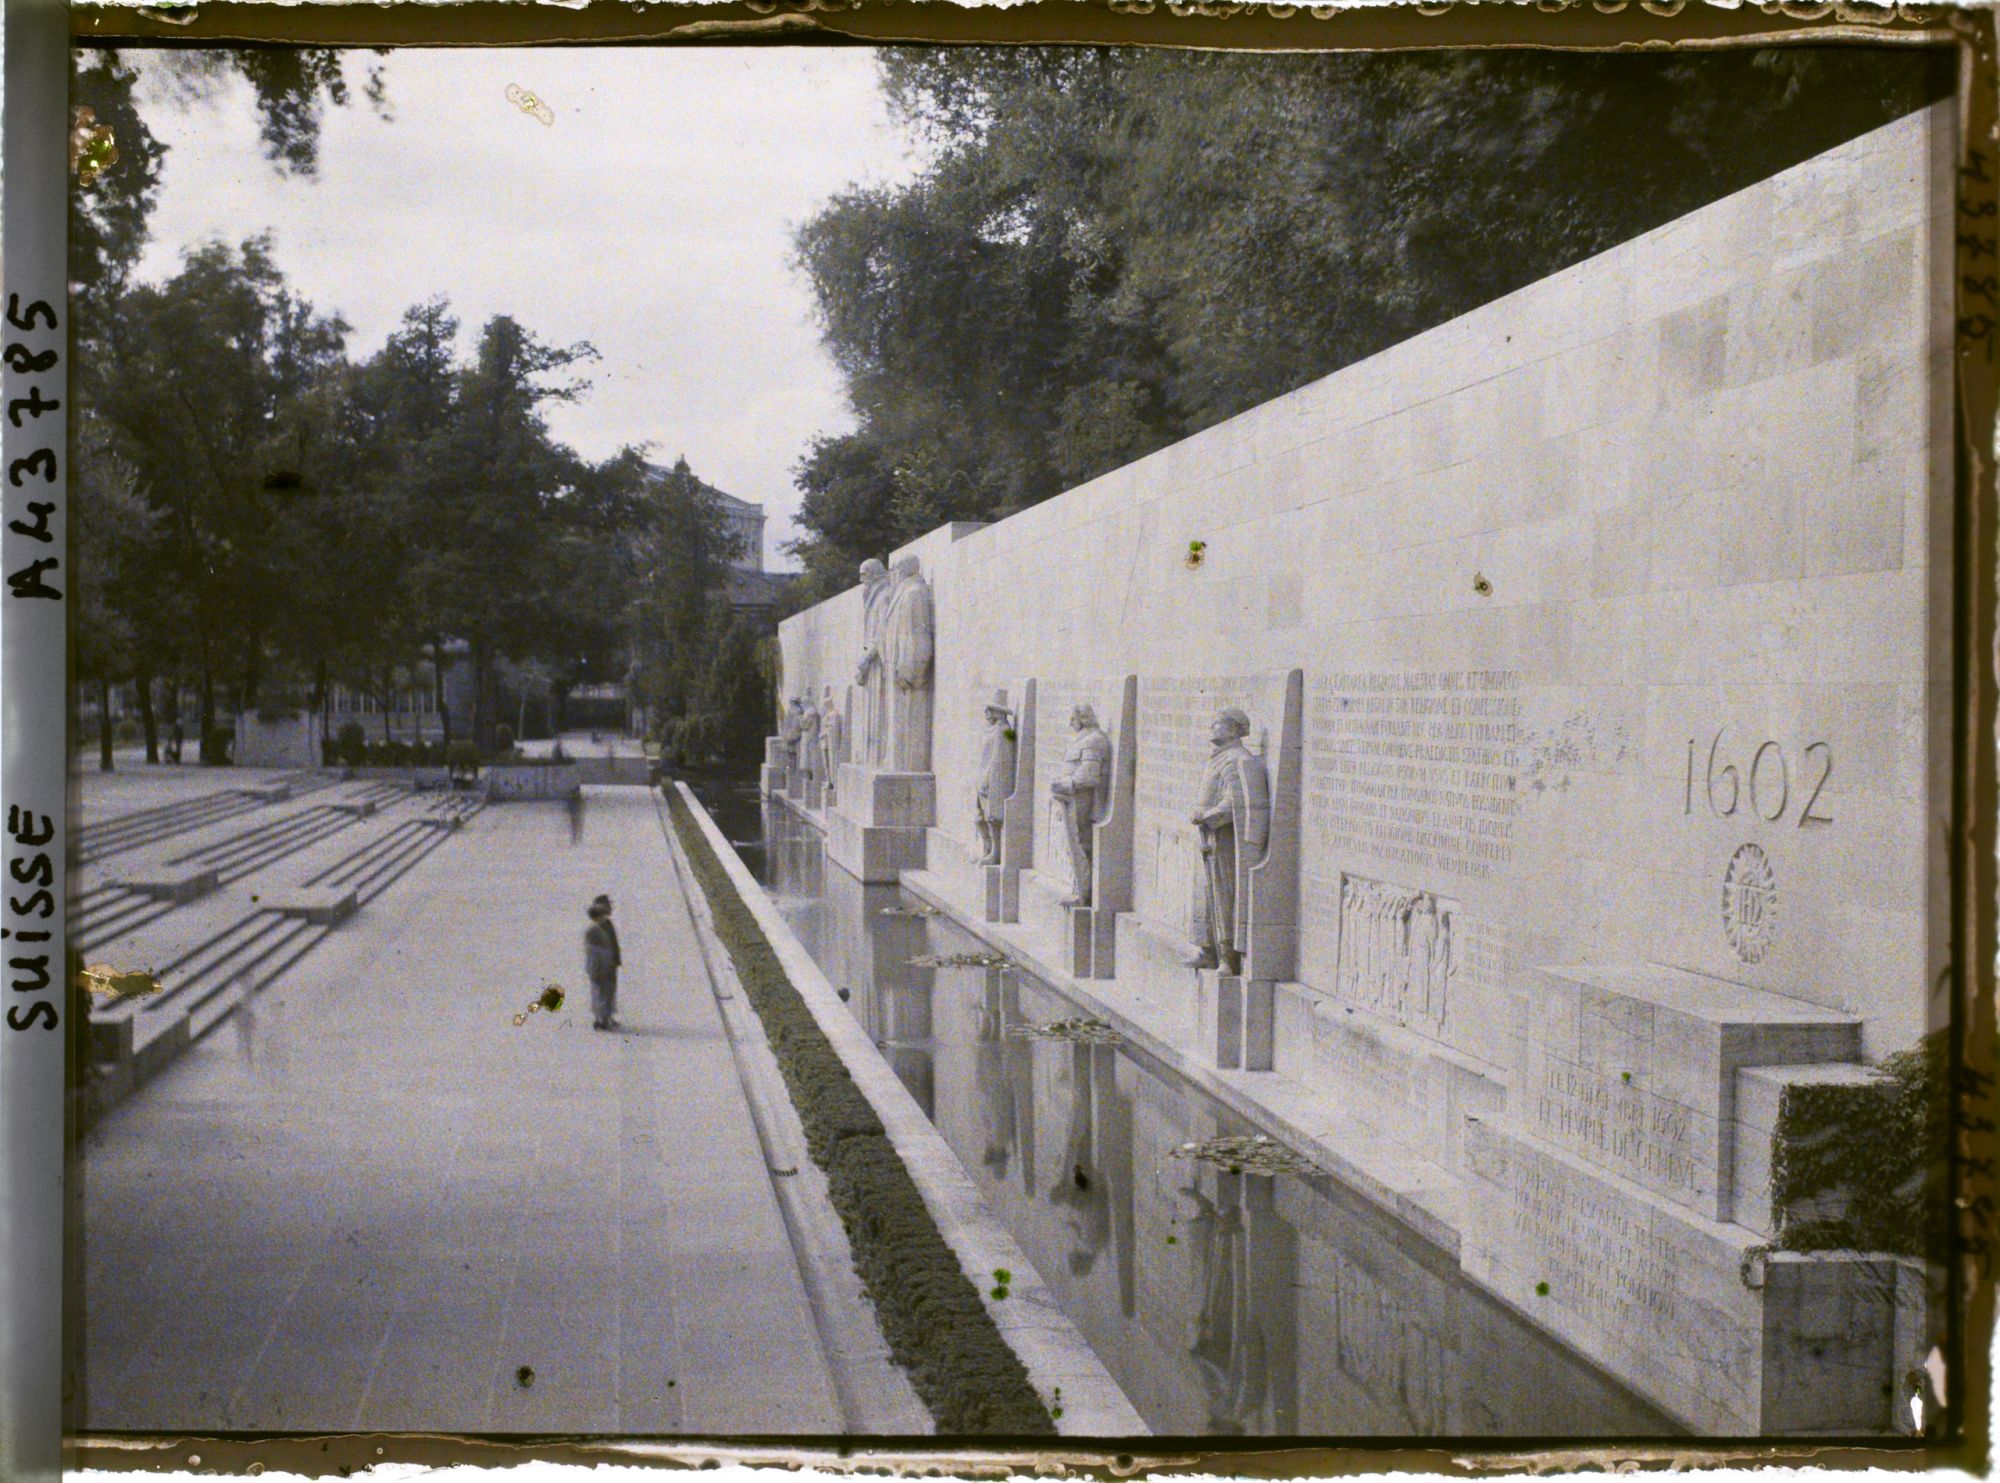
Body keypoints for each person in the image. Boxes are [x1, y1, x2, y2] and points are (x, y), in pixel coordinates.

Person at [585, 893, 622, 1031]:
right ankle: (601, 1020)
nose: (610, 908)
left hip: (609, 964)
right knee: (601, 992)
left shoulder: (608, 924)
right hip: (600, 966)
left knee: (609, 991)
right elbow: (592, 953)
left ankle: (608, 1017)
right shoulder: (593, 930)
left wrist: (616, 959)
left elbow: (614, 943)